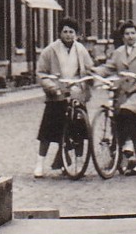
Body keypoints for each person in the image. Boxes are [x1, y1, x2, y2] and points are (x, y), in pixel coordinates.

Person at [34, 17, 95, 178]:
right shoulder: (50, 50)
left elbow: (89, 69)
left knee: (79, 129)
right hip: (57, 94)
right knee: (48, 131)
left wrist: (91, 79)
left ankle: (76, 161)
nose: (68, 35)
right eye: (65, 31)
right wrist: (51, 87)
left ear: (76, 34)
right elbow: (41, 73)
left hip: (76, 92)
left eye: (71, 32)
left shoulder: (80, 50)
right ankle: (39, 163)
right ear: (60, 33)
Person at [101, 20, 136, 174]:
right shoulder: (118, 52)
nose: (130, 36)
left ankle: (127, 146)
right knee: (132, 125)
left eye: (133, 33)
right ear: (123, 36)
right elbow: (108, 68)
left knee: (127, 112)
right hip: (124, 94)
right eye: (127, 34)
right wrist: (95, 72)